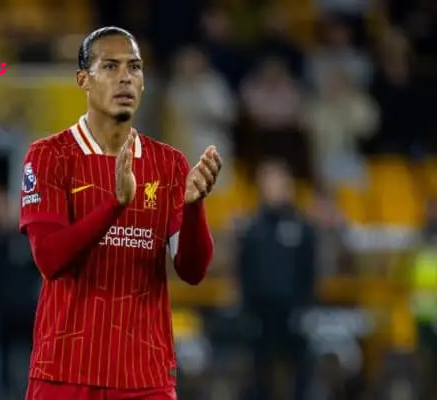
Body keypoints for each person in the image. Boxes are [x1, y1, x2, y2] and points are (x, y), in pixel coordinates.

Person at [19, 27, 222, 400]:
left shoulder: (169, 165)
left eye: (135, 67)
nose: (125, 77)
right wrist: (114, 205)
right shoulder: (49, 156)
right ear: (83, 79)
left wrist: (194, 209)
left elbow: (192, 271)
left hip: (145, 377)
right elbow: (49, 258)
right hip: (65, 372)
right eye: (110, 66)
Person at [237, 160, 316, 400]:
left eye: (278, 182)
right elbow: (244, 269)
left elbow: (309, 268)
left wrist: (305, 305)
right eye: (268, 183)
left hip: (293, 309)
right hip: (261, 312)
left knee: (300, 369)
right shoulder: (252, 228)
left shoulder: (301, 226)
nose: (274, 188)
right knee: (260, 371)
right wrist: (247, 307)